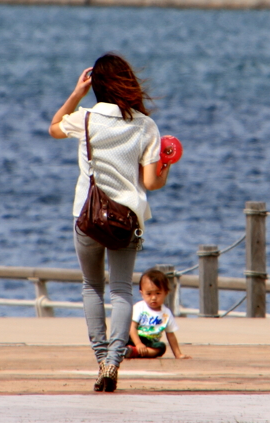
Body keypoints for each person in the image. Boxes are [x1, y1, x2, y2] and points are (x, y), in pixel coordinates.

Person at [49, 53, 171, 393]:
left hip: (86, 218)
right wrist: (169, 165)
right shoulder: (145, 126)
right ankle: (114, 363)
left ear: (96, 87)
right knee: (121, 291)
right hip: (125, 221)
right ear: (128, 83)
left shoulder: (85, 119)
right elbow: (151, 183)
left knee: (91, 286)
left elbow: (54, 128)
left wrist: (76, 94)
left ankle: (100, 357)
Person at [125, 268, 190, 360]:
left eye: (158, 293)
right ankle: (131, 349)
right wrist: (138, 343)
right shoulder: (139, 307)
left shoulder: (166, 313)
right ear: (142, 293)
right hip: (135, 338)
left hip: (151, 342)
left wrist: (178, 354)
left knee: (161, 347)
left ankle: (133, 352)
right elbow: (132, 327)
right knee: (123, 338)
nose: (154, 297)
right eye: (149, 294)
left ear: (166, 293)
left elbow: (170, 335)